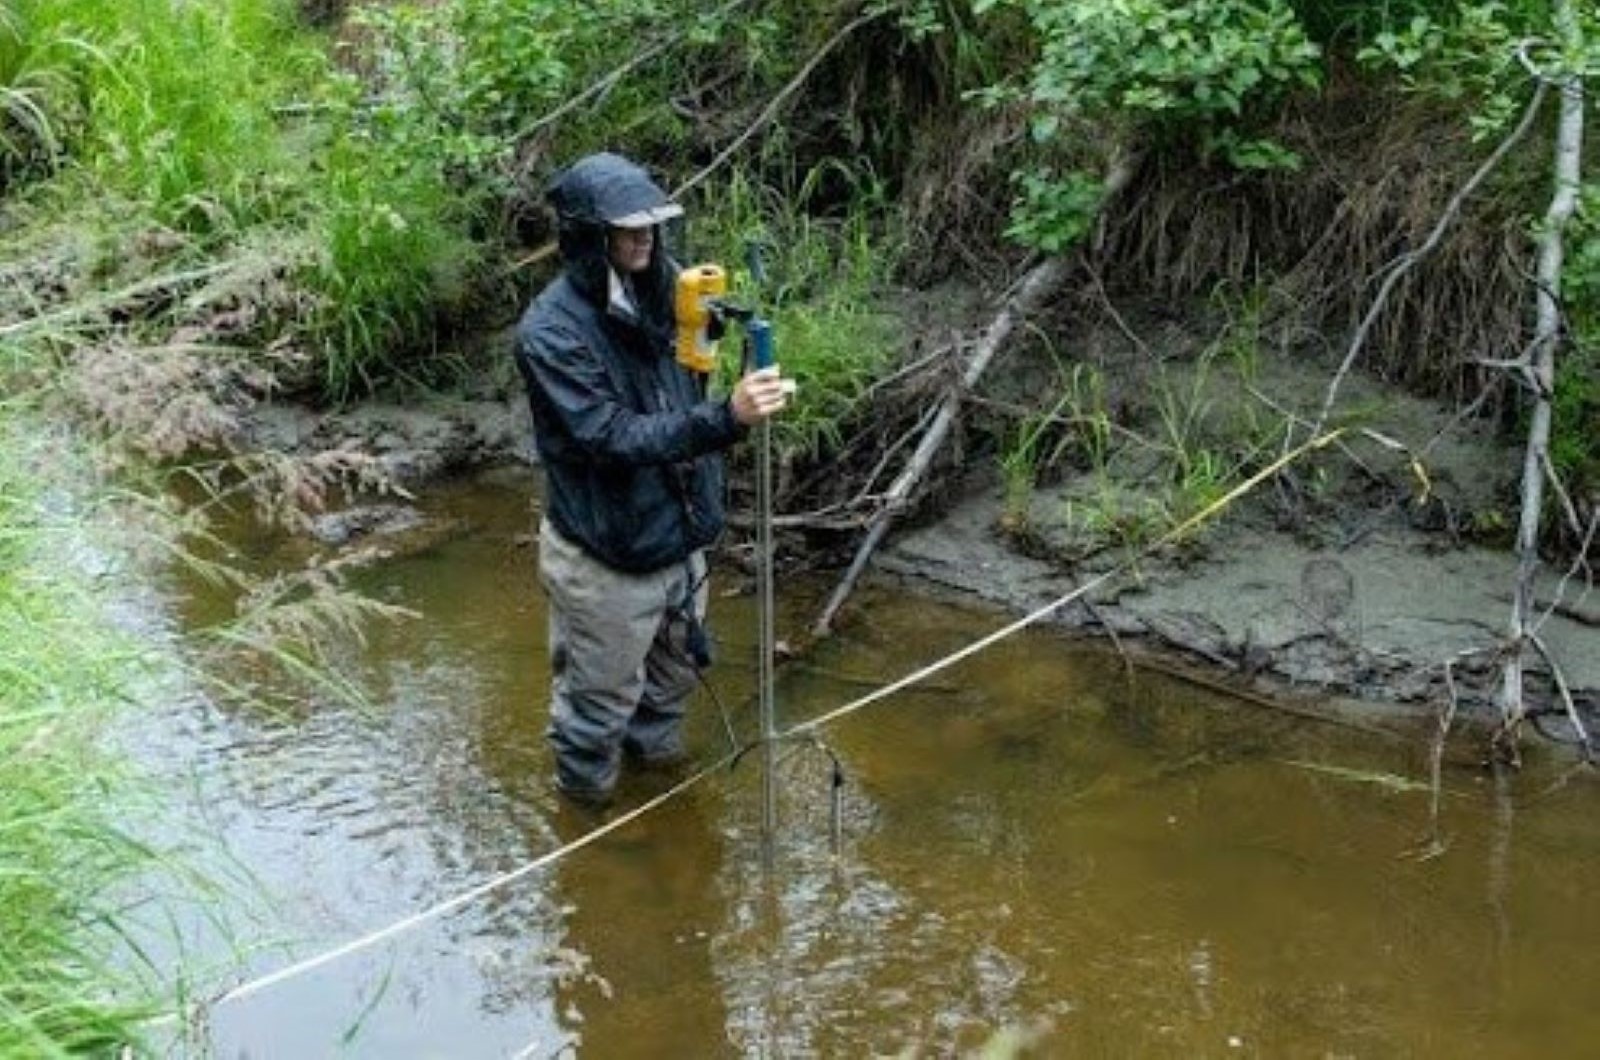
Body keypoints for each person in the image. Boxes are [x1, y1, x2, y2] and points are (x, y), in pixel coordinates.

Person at [514, 152, 787, 807]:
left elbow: (680, 380)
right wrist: (727, 417)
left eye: (653, 225)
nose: (644, 237)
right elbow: (608, 437)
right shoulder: (549, 333)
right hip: (606, 559)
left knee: (671, 683)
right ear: (586, 234)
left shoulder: (664, 283)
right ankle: (592, 842)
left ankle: (660, 793)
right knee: (594, 713)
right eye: (627, 228)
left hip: (678, 537)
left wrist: (727, 329)